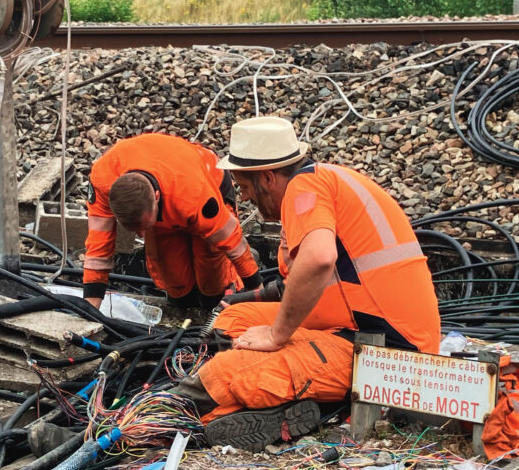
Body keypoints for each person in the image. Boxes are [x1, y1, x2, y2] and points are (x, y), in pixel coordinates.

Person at [175, 116, 441, 452]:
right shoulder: (326, 179)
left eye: (244, 187)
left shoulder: (305, 188)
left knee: (227, 373)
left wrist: (277, 335)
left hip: (386, 352)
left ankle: (186, 414)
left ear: (267, 177)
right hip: (356, 326)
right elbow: (310, 280)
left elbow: (318, 260)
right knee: (235, 321)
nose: (245, 200)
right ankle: (283, 405)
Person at [82, 133, 262, 310]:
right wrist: (90, 310)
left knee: (211, 273)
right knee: (173, 279)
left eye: (144, 227)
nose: (140, 235)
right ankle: (183, 303)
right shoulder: (102, 182)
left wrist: (256, 289)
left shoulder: (195, 196)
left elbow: (233, 243)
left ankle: (214, 300)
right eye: (136, 230)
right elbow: (98, 250)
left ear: (157, 198)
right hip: (166, 190)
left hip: (201, 181)